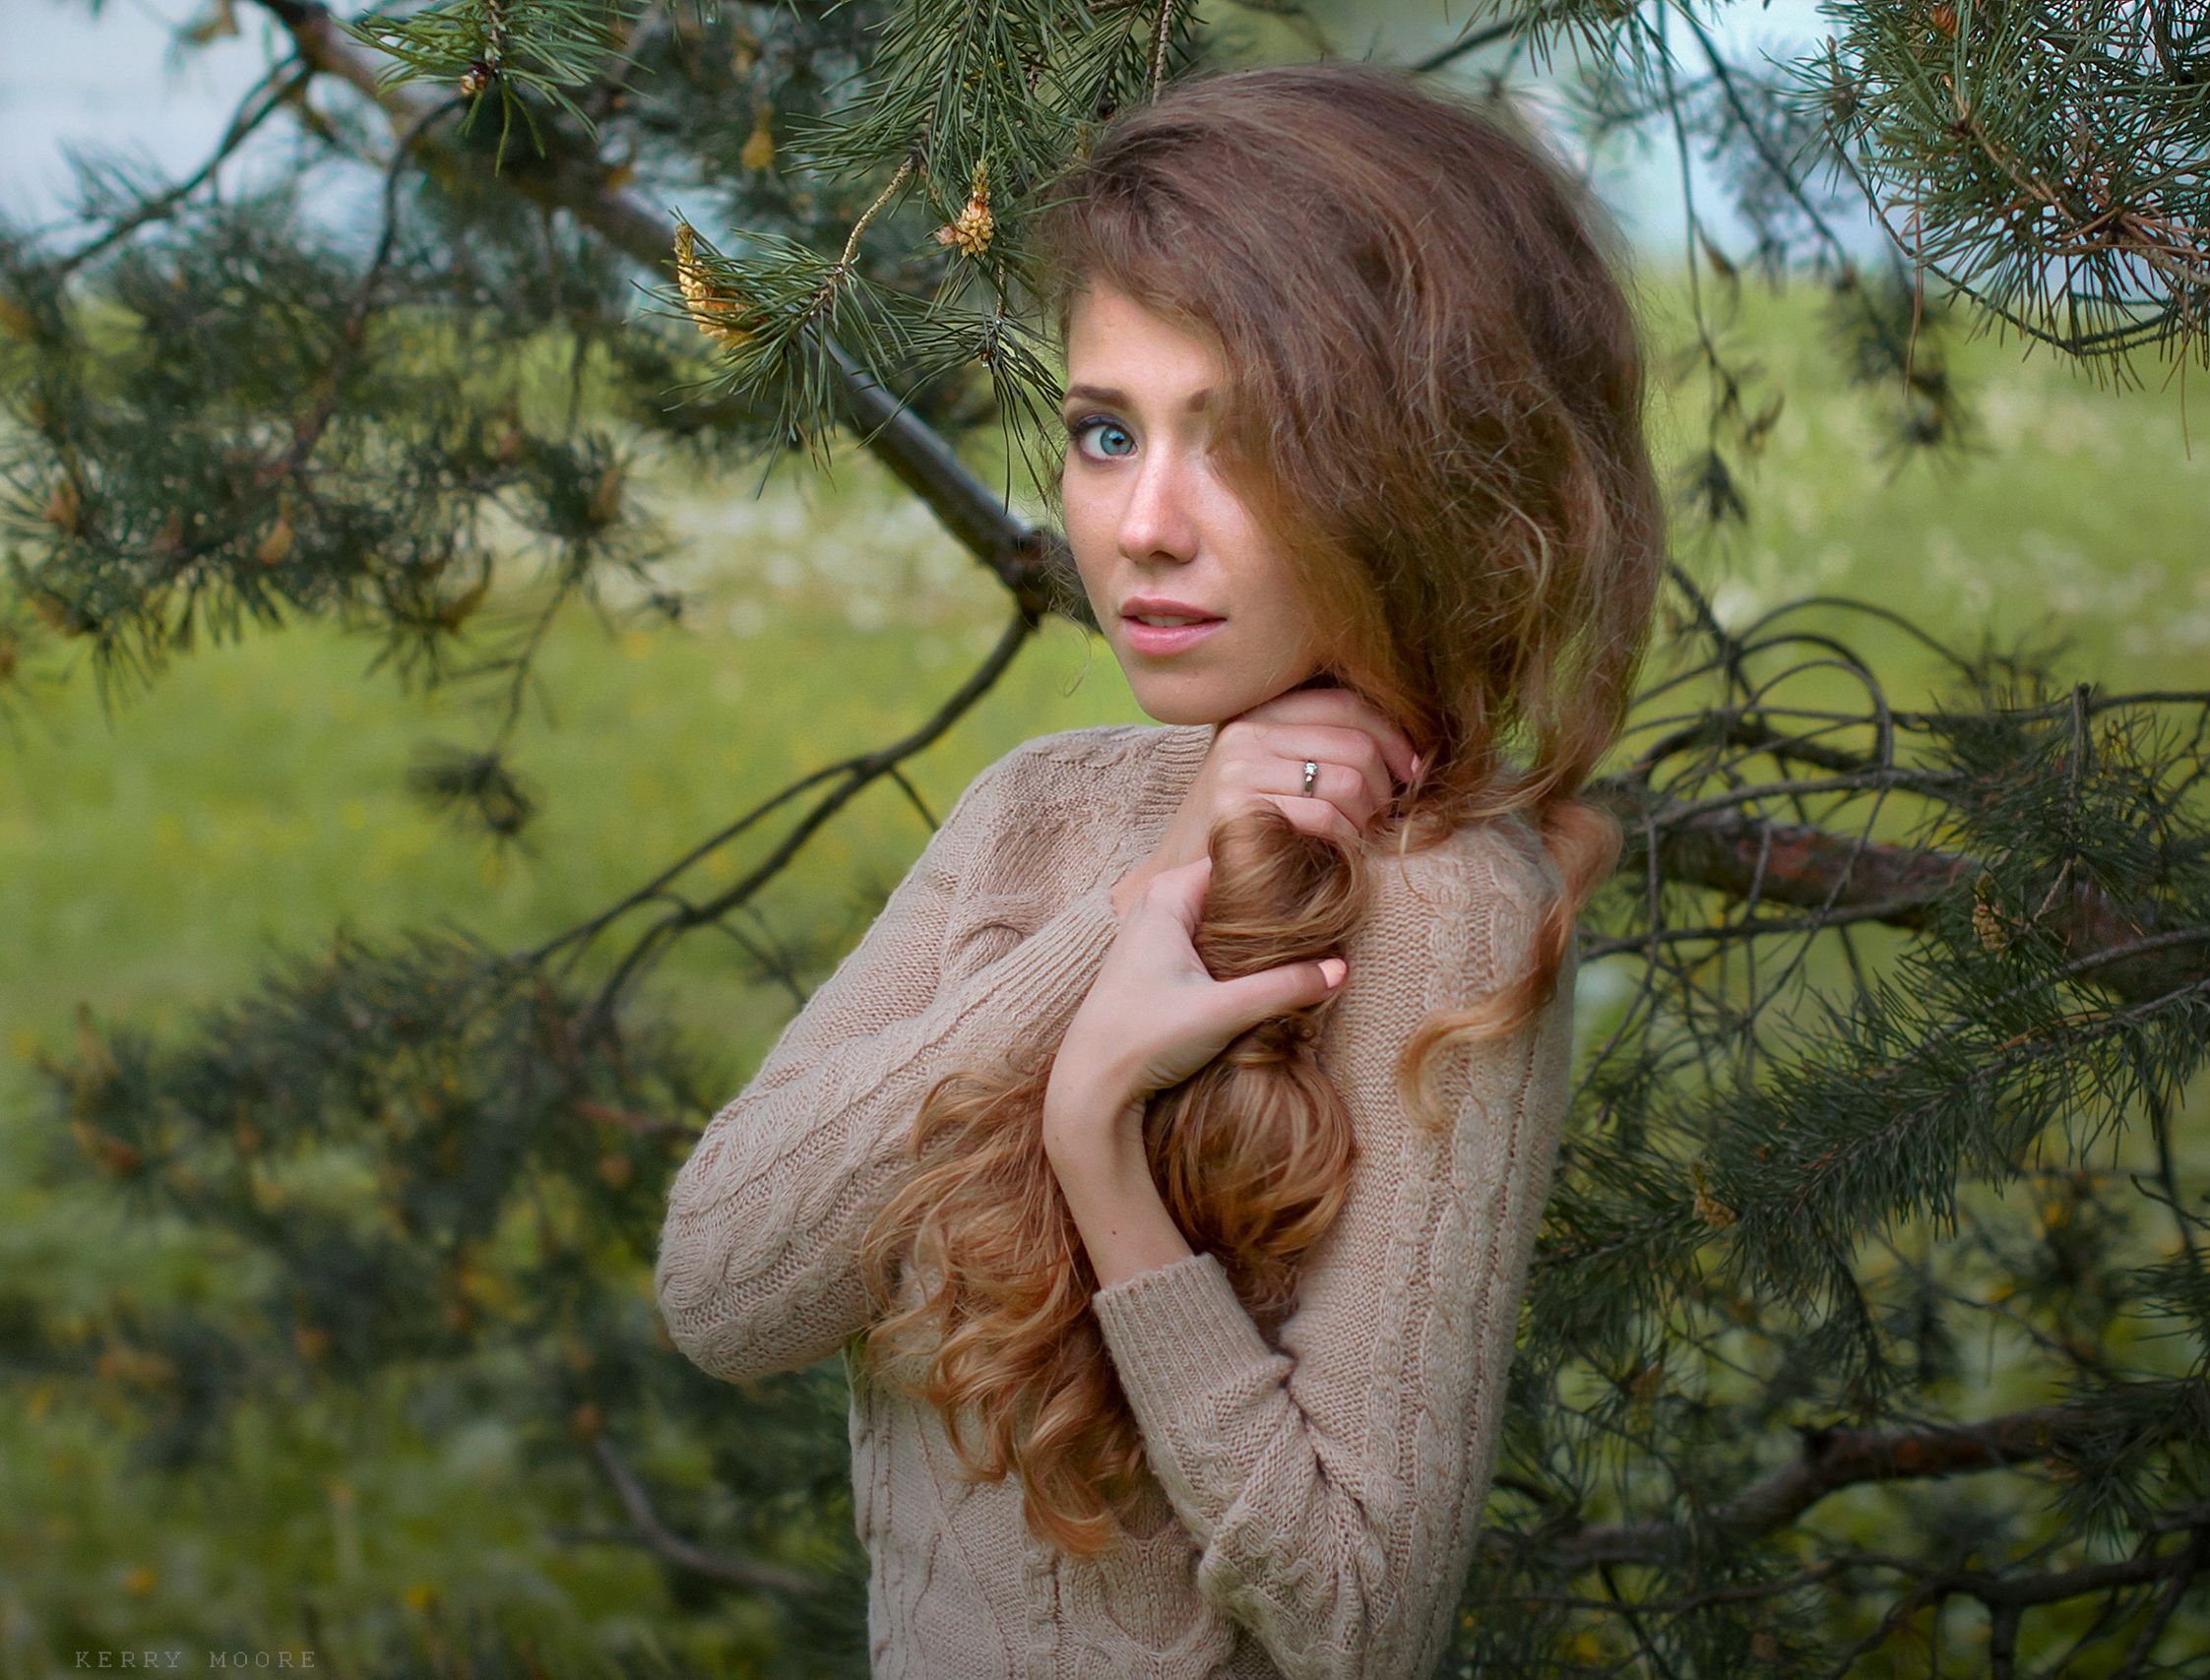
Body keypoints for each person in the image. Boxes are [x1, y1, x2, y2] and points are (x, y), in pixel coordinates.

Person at [654, 57, 1665, 1680]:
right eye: (1107, 432)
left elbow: (1357, 1619)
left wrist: (1100, 1157)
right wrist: (1113, 930)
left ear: (1426, 471)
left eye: (1245, 443)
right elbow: (722, 1290)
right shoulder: (1036, 813)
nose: (1143, 525)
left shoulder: (1445, 910)